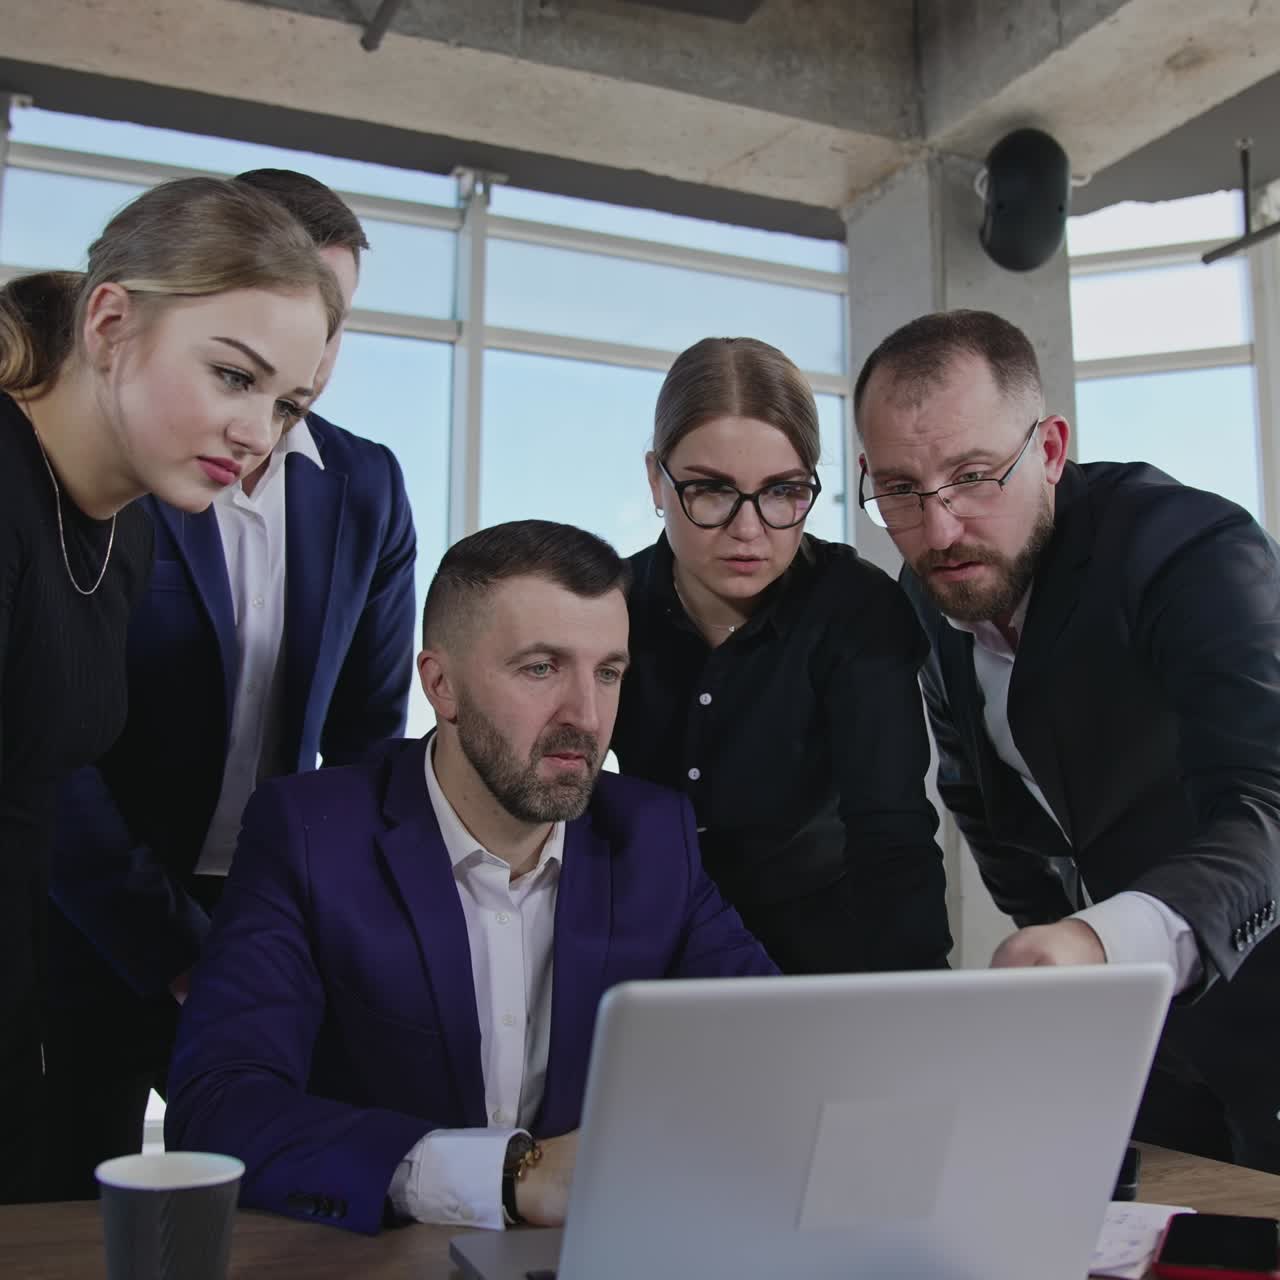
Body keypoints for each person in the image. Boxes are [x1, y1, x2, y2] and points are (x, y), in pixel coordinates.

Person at [165, 520, 776, 1235]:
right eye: (541, 668)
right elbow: (219, 1109)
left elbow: (774, 1054)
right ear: (441, 684)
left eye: (608, 672)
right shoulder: (308, 835)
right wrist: (510, 1177)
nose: (585, 716)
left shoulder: (651, 838)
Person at [43, 171, 418, 1198]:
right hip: (76, 900)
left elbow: (366, 736)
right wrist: (166, 942)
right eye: (243, 366)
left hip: (262, 900)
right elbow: (47, 749)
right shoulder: (116, 470)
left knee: (285, 1198)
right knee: (59, 1194)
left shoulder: (366, 486)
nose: (270, 418)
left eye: (334, 326)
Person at [854, 308, 1280, 1171]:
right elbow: (980, 797)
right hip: (1143, 1045)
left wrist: (1098, 942)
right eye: (899, 490)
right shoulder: (929, 588)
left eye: (974, 476)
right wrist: (1060, 944)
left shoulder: (1192, 550)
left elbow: (1268, 803)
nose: (938, 532)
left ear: (1049, 450)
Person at [611, 337, 951, 974]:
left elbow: (892, 834)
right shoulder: (607, 609)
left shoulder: (856, 608)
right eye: (711, 492)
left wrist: (921, 1017)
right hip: (650, 945)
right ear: (657, 480)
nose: (749, 529)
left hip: (821, 955)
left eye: (782, 492)